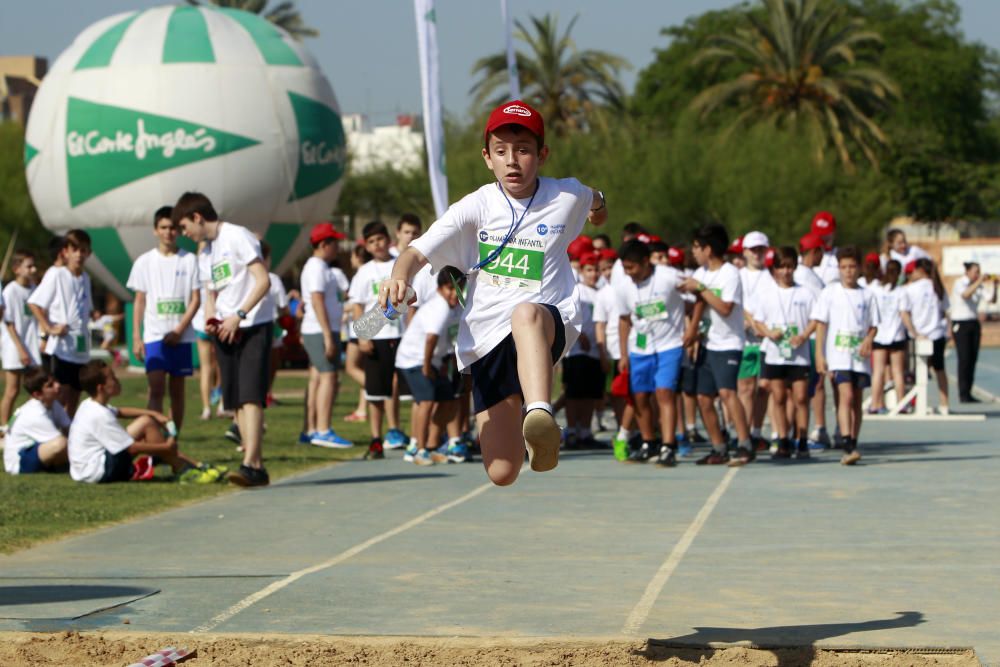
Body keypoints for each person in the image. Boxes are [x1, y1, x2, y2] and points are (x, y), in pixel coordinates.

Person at [380, 99, 608, 485]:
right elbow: (415, 252)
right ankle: (537, 438)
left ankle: (539, 411)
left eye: (523, 150)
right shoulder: (474, 206)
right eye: (501, 151)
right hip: (487, 337)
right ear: (488, 158)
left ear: (542, 154)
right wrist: (398, 276)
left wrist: (597, 212)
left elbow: (597, 200)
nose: (513, 161)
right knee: (502, 472)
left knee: (526, 313)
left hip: (547, 319)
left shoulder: (566, 195)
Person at [174, 192, 274, 487]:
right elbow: (210, 294)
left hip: (252, 324)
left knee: (251, 395)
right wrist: (211, 321)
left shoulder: (236, 236)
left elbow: (262, 279)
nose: (184, 234)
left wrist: (239, 315)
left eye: (184, 227)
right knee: (235, 400)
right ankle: (255, 465)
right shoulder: (204, 253)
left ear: (197, 217)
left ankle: (251, 463)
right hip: (225, 330)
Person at [69, 360, 221, 484]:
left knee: (146, 422)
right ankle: (184, 468)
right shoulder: (99, 415)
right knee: (147, 425)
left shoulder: (90, 403)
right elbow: (131, 448)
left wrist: (153, 413)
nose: (117, 380)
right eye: (113, 378)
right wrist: (164, 447)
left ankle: (189, 465)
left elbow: (120, 411)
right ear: (101, 388)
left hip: (86, 470)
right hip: (98, 472)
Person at [679, 224, 753, 466]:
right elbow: (700, 305)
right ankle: (718, 447)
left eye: (698, 248)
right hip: (708, 343)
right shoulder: (702, 274)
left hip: (729, 342)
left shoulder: (730, 273)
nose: (694, 252)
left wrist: (700, 287)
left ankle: (744, 443)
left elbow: (725, 307)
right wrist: (692, 331)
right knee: (703, 397)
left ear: (709, 249)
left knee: (727, 392)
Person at [127, 206, 200, 433]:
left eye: (172, 228)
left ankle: (173, 438)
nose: (168, 232)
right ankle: (153, 437)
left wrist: (179, 330)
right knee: (156, 388)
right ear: (155, 231)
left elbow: (195, 300)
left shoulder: (189, 260)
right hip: (155, 336)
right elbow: (140, 299)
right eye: (163, 227)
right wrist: (137, 336)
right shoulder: (144, 262)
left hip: (181, 337)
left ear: (178, 230)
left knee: (177, 392)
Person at [617, 240, 686, 466]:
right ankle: (649, 442)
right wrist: (623, 353)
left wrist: (692, 330)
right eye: (625, 268)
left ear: (646, 262)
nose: (629, 273)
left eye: (632, 267)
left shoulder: (669, 276)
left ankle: (668, 446)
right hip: (640, 348)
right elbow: (625, 320)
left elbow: (697, 295)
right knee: (640, 397)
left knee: (664, 392)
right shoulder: (625, 286)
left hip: (670, 345)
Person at [811, 246, 880, 465]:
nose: (848, 271)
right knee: (846, 396)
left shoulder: (867, 295)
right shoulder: (829, 292)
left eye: (852, 267)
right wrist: (820, 355)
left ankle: (854, 441)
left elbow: (873, 326)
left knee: (857, 401)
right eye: (843, 267)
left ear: (859, 268)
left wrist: (869, 339)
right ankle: (846, 442)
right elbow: (821, 325)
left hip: (858, 357)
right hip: (838, 356)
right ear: (838, 269)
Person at [350, 220, 413, 459]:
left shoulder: (400, 263)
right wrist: (362, 337)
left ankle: (397, 430)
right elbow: (357, 305)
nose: (377, 245)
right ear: (366, 246)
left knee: (399, 386)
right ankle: (376, 438)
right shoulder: (364, 272)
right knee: (376, 392)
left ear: (389, 239)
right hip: (376, 335)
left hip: (400, 335)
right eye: (371, 242)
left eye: (380, 239)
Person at [751, 247, 816, 459]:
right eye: (781, 267)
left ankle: (803, 439)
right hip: (775, 353)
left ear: (795, 268)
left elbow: (816, 319)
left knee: (800, 397)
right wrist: (769, 333)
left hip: (799, 354)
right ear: (775, 270)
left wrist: (804, 336)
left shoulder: (805, 293)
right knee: (777, 396)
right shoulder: (766, 294)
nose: (786, 271)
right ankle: (783, 439)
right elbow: (757, 321)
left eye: (789, 267)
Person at [397, 267, 465, 465]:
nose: (453, 293)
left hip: (434, 360)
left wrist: (445, 361)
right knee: (426, 402)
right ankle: (418, 450)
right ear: (440, 289)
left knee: (448, 401)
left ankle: (433, 445)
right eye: (449, 289)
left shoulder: (457, 307)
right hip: (414, 359)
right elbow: (431, 339)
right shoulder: (440, 308)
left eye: (458, 288)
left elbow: (450, 338)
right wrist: (427, 366)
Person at [28, 229, 93, 416]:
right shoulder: (57, 274)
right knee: (59, 396)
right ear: (66, 252)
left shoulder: (85, 278)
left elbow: (84, 310)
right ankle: (52, 437)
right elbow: (34, 303)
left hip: (80, 347)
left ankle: (69, 439)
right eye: (75, 249)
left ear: (89, 253)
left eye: (84, 250)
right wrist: (49, 328)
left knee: (74, 397)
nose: (79, 254)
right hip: (61, 349)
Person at [299, 222, 352, 447]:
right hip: (320, 330)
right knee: (329, 377)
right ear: (323, 244)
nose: (338, 246)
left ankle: (311, 429)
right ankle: (322, 429)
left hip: (320, 329)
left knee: (318, 379)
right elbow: (316, 300)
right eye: (334, 242)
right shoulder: (316, 267)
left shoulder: (320, 267)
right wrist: (329, 336)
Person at [563, 252, 605, 449]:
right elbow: (567, 315)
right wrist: (581, 336)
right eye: (589, 270)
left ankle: (585, 432)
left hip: (595, 351)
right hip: (576, 350)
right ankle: (571, 431)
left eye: (596, 269)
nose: (593, 274)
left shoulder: (601, 292)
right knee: (574, 394)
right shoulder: (576, 290)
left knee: (590, 394)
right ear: (581, 271)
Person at [738, 231, 775, 451]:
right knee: (745, 387)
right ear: (745, 252)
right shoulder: (738, 275)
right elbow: (735, 302)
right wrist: (749, 320)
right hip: (744, 338)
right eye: (753, 250)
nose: (757, 254)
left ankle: (756, 432)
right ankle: (743, 432)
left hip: (765, 338)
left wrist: (761, 326)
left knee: (764, 387)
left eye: (761, 249)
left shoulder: (771, 276)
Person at [900, 258, 950, 415]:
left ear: (920, 271)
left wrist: (914, 333)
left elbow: (904, 313)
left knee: (914, 370)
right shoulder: (938, 287)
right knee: (939, 369)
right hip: (937, 334)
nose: (910, 275)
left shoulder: (910, 289)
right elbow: (946, 312)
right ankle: (944, 405)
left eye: (912, 271)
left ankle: (915, 403)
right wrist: (948, 331)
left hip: (918, 336)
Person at [3, 367, 69, 475]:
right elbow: (62, 443)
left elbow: (69, 428)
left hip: (34, 450)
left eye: (56, 381)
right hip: (19, 460)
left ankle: (61, 467)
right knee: (60, 443)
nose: (58, 386)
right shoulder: (35, 413)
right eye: (50, 385)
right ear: (37, 395)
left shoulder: (53, 403)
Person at [1, 250, 40, 430]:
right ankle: (3, 429)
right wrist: (21, 349)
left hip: (32, 346)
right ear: (16, 269)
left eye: (33, 265)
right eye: (28, 266)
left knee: (36, 389)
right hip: (14, 346)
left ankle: (28, 427)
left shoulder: (33, 289)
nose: (33, 269)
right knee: (12, 390)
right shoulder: (10, 291)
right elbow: (9, 323)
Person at [869, 260, 908, 414]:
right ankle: (901, 403)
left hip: (879, 335)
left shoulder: (876, 289)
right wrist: (914, 332)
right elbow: (903, 314)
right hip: (896, 335)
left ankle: (875, 403)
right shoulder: (900, 291)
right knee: (897, 371)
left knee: (878, 371)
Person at [192, 241, 223, 420]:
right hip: (218, 319)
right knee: (222, 363)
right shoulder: (219, 260)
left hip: (201, 321)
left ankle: (206, 408)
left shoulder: (195, 264)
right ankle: (222, 404)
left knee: (205, 367)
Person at [343, 243, 372, 423]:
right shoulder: (370, 272)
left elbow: (355, 305)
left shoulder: (361, 274)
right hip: (370, 326)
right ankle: (362, 409)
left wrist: (342, 310)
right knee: (364, 368)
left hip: (359, 328)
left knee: (351, 367)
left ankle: (377, 388)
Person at [951, 261, 986, 403]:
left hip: (973, 322)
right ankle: (963, 393)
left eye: (979, 272)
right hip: (961, 323)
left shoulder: (978, 285)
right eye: (975, 271)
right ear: (968, 272)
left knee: (972, 359)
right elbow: (965, 295)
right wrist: (979, 282)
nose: (977, 274)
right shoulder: (960, 283)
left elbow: (991, 298)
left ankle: (969, 392)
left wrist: (994, 287)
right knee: (964, 359)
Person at [261, 241, 291, 407]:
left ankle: (263, 394)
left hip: (252, 326)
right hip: (270, 326)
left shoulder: (243, 278)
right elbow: (284, 307)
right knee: (270, 364)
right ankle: (265, 393)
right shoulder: (272, 279)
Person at [811, 211, 841, 285]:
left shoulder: (841, 255)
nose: (822, 238)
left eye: (825, 234)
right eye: (819, 234)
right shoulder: (803, 257)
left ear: (834, 233)